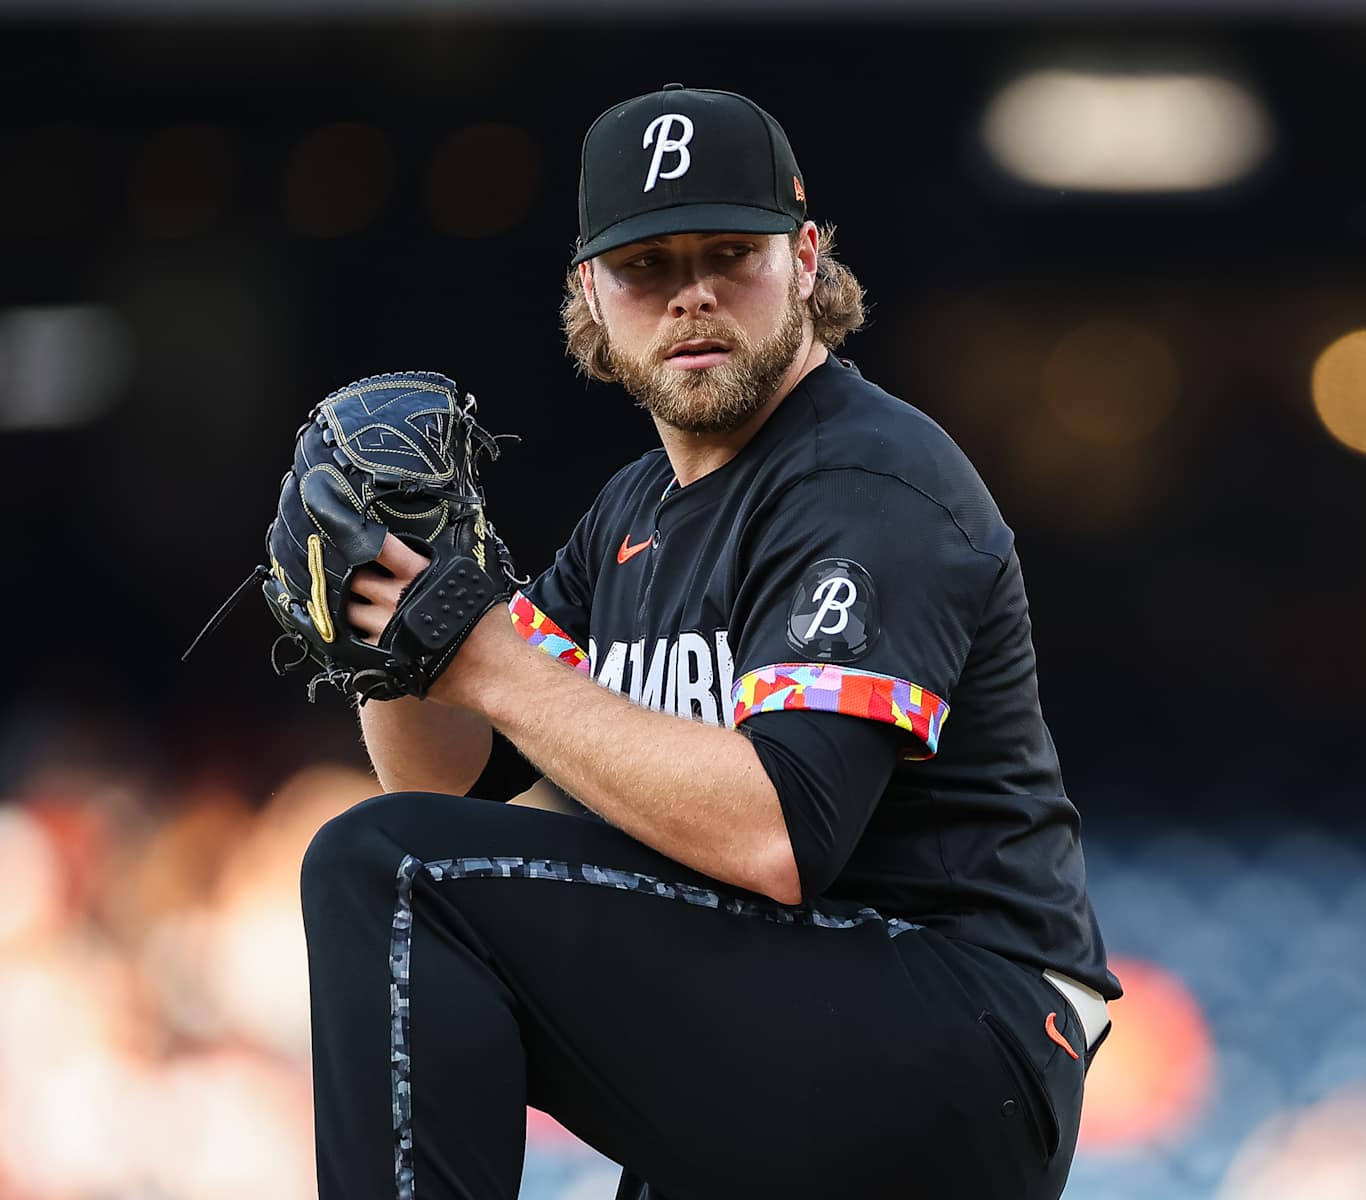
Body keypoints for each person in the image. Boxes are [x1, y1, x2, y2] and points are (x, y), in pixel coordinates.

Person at [298, 83, 1119, 1200]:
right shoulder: (632, 511)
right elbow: (461, 792)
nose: (690, 293)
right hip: (799, 1020)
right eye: (646, 265)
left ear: (808, 261)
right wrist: (385, 639)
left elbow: (781, 835)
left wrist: (485, 653)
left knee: (379, 870)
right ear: (590, 289)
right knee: (407, 857)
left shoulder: (869, 480)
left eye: (730, 251)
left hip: (962, 1028)